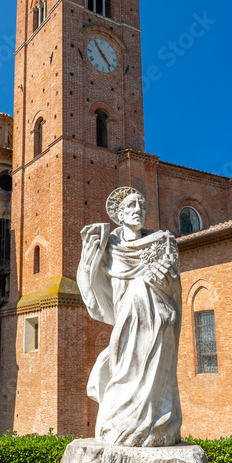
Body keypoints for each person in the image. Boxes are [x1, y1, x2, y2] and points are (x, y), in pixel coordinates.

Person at [77, 186, 182, 447]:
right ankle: (121, 424)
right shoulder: (109, 245)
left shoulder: (161, 242)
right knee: (125, 370)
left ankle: (154, 425)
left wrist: (165, 278)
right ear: (120, 214)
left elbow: (173, 284)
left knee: (155, 374)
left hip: (158, 321)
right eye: (132, 207)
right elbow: (89, 278)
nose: (138, 210)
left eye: (142, 206)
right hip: (126, 321)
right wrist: (89, 253)